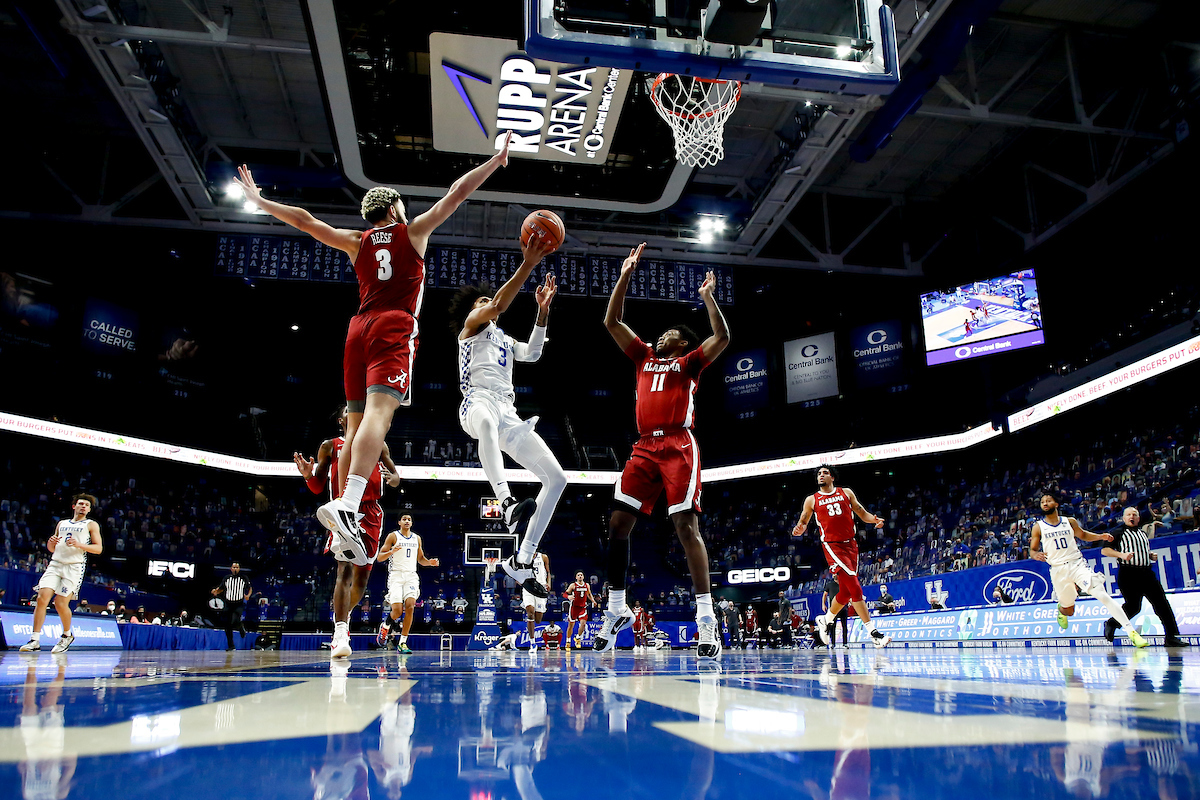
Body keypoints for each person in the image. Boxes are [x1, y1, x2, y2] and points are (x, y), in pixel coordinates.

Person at [235, 135, 514, 560]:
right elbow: (457, 194)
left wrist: (260, 200)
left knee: (353, 427)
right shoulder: (413, 230)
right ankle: (348, 505)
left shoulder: (357, 241)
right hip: (393, 324)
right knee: (379, 418)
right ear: (392, 209)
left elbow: (306, 221)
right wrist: (496, 161)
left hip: (357, 329)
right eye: (400, 206)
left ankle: (346, 514)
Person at [594, 244, 731, 660]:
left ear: (681, 341)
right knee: (618, 523)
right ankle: (617, 607)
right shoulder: (643, 357)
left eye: (669, 333)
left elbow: (722, 336)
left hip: (677, 444)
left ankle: (706, 618)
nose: (661, 335)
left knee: (685, 527)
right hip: (643, 447)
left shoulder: (688, 362)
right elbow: (611, 320)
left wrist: (709, 299)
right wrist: (625, 274)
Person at [448, 238, 562, 598]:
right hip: (476, 402)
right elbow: (498, 303)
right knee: (484, 426)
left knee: (557, 479)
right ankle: (507, 502)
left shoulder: (505, 339)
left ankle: (522, 558)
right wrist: (528, 263)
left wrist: (542, 311)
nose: (488, 305)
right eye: (482, 302)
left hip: (509, 412)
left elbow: (532, 354)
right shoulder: (471, 327)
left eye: (486, 302)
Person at [294, 406, 401, 658]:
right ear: (342, 420)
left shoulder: (378, 443)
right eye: (351, 411)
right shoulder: (330, 446)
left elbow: (396, 475)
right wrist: (309, 476)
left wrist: (392, 478)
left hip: (372, 512)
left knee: (362, 578)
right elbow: (318, 487)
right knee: (344, 569)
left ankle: (345, 614)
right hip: (344, 510)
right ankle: (340, 631)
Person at [792, 467, 892, 649]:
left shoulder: (845, 492)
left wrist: (874, 520)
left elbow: (861, 512)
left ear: (832, 476)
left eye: (824, 473)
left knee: (845, 592)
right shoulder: (812, 499)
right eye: (818, 474)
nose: (820, 475)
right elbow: (804, 520)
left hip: (851, 545)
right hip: (832, 546)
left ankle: (826, 619)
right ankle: (873, 633)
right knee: (855, 587)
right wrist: (800, 527)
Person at [1029, 493, 1147, 646]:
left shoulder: (1069, 522)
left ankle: (1131, 632)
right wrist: (1035, 554)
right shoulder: (1038, 527)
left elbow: (1083, 534)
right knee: (1069, 610)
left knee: (1103, 595)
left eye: (1048, 501)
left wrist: (1101, 537)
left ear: (1056, 504)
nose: (1045, 503)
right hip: (1058, 570)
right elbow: (1032, 550)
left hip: (1077, 564)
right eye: (1043, 502)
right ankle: (1061, 609)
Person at [19, 495, 102, 653]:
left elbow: (98, 549)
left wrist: (80, 544)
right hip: (55, 564)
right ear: (74, 506)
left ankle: (66, 635)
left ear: (89, 509)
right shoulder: (62, 523)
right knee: (41, 599)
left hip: (74, 567)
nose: (83, 506)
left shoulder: (91, 524)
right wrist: (50, 544)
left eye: (86, 505)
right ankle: (34, 640)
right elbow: (53, 548)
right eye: (80, 504)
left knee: (60, 603)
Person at [1101, 506, 1188, 647]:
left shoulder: (1142, 533)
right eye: (1128, 514)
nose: (1132, 516)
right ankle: (1112, 623)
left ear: (1138, 518)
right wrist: (1121, 555)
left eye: (1134, 514)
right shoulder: (1117, 532)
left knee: (1162, 604)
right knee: (1134, 607)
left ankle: (1172, 637)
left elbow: (1140, 551)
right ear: (1124, 518)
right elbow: (1105, 550)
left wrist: (1149, 555)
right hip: (1128, 573)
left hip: (1147, 573)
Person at [376, 514, 439, 653]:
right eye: (404, 519)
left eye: (409, 519)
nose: (407, 521)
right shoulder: (393, 536)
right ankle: (386, 625)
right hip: (396, 575)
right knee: (397, 611)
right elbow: (380, 557)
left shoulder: (417, 538)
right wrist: (392, 551)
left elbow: (421, 559)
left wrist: (430, 562)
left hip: (411, 575)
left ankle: (403, 642)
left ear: (411, 522)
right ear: (399, 522)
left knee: (410, 606)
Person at [211, 562, 251, 651]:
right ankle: (231, 645)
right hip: (228, 603)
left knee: (235, 619)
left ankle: (240, 627)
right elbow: (221, 588)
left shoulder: (244, 578)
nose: (235, 568)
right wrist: (216, 591)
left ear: (239, 568)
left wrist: (248, 595)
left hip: (239, 603)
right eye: (234, 567)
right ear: (231, 568)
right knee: (227, 625)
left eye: (237, 567)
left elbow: (250, 588)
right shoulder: (226, 578)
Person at [520, 552, 552, 651]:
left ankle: (534, 637)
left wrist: (548, 583)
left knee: (538, 620)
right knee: (530, 613)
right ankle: (532, 643)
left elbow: (548, 572)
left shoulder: (543, 557)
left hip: (541, 588)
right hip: (528, 588)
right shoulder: (522, 557)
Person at [563, 571, 596, 650]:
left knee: (583, 624)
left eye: (581, 575)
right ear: (576, 577)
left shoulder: (586, 585)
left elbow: (589, 594)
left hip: (582, 607)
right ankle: (568, 641)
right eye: (578, 575)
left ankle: (578, 638)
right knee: (571, 625)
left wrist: (593, 601)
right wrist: (568, 597)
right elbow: (565, 594)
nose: (580, 576)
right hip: (574, 607)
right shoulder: (573, 585)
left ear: (583, 577)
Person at [819, 568, 850, 647]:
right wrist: (823, 604)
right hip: (833, 609)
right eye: (833, 574)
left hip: (843, 607)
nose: (834, 575)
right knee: (832, 626)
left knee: (844, 626)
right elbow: (824, 595)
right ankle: (833, 643)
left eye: (836, 574)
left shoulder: (844, 584)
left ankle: (845, 643)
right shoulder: (830, 584)